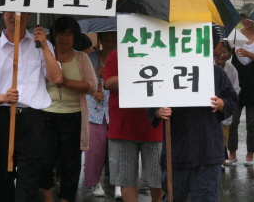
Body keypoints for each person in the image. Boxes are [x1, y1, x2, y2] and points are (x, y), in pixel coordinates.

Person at [0, 11, 63, 202]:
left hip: (32, 119)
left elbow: (56, 78)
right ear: (4, 15)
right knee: (2, 173)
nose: (15, 16)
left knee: (30, 175)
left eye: (20, 12)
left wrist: (45, 47)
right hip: (2, 118)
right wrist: (3, 97)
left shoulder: (41, 45)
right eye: (9, 12)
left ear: (29, 15)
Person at [148, 28, 238, 202]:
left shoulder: (216, 73)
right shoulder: (165, 71)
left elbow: (232, 100)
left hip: (208, 149)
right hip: (176, 149)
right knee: (174, 196)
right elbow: (151, 98)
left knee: (206, 197)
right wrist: (158, 111)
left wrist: (221, 104)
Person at [40, 16, 97, 202]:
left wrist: (65, 82)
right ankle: (48, 199)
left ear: (75, 37)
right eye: (60, 33)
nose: (64, 38)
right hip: (46, 116)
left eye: (69, 34)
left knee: (71, 164)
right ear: (53, 35)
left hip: (74, 117)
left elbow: (92, 86)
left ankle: (66, 199)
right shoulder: (43, 56)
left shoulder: (81, 58)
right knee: (45, 162)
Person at [103, 50, 164, 202]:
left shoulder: (161, 53)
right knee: (126, 180)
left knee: (158, 179)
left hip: (154, 126)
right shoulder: (117, 54)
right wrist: (137, 72)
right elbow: (108, 83)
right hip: (122, 126)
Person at [227, 3, 254, 166]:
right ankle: (232, 153)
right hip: (236, 84)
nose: (245, 20)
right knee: (232, 120)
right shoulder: (234, 35)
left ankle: (250, 154)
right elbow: (224, 54)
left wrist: (249, 54)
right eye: (242, 16)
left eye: (248, 16)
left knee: (252, 121)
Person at [83, 31, 117, 197]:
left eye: (114, 38)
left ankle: (120, 182)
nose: (111, 42)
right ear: (101, 39)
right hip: (94, 111)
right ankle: (94, 182)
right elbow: (82, 83)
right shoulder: (89, 59)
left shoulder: (122, 60)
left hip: (116, 109)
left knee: (118, 148)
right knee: (95, 149)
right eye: (108, 38)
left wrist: (107, 75)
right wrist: (93, 91)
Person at [216, 41, 241, 167]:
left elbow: (235, 90)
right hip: (210, 109)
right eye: (219, 52)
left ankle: (221, 160)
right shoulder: (207, 67)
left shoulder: (231, 69)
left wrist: (224, 102)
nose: (222, 55)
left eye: (225, 52)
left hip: (224, 109)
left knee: (224, 136)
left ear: (230, 54)